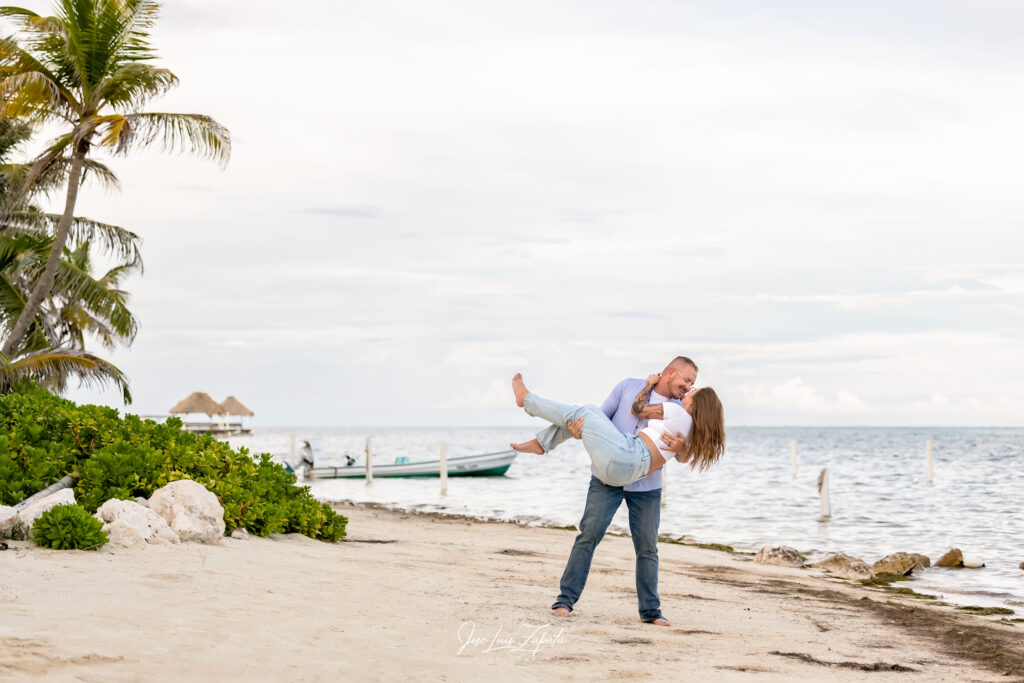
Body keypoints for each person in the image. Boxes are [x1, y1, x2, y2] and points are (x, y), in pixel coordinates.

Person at [510, 358, 702, 625]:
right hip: (606, 476)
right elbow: (597, 419)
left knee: (647, 548)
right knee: (587, 536)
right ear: (671, 372)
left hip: (647, 484)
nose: (689, 386)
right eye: (687, 380)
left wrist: (683, 450)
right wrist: (577, 431)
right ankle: (565, 601)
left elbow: (683, 456)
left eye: (692, 383)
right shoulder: (628, 387)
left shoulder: (683, 409)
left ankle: (651, 611)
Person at [513, 373, 725, 487]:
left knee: (585, 411)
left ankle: (528, 401)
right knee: (589, 410)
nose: (689, 390)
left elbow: (638, 409)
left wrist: (649, 385)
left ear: (697, 404)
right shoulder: (692, 430)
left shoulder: (677, 411)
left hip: (629, 455)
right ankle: (543, 443)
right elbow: (684, 456)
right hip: (629, 473)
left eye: (694, 390)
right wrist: (684, 449)